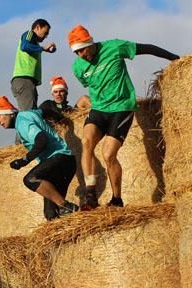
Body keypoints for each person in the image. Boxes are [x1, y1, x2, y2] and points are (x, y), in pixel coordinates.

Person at [68, 25, 179, 210]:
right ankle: (90, 193)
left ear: (90, 42)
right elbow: (89, 84)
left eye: (83, 50)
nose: (81, 55)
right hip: (99, 109)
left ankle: (117, 199)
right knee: (86, 142)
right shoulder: (77, 67)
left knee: (108, 155)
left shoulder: (114, 47)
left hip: (121, 108)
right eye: (76, 52)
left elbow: (147, 48)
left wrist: (174, 58)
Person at [0, 96, 79, 221]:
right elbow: (46, 109)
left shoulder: (22, 122)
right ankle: (67, 211)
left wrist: (24, 160)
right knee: (51, 215)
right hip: (65, 163)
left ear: (9, 113)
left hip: (59, 159)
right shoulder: (29, 114)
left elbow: (41, 140)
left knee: (30, 179)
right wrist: (59, 117)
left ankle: (68, 207)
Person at [11, 19, 56, 112]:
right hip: (24, 80)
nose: (46, 36)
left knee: (29, 112)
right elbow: (24, 46)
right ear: (38, 27)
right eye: (45, 33)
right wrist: (42, 48)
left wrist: (43, 49)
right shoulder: (30, 34)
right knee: (30, 113)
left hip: (25, 81)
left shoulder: (35, 44)